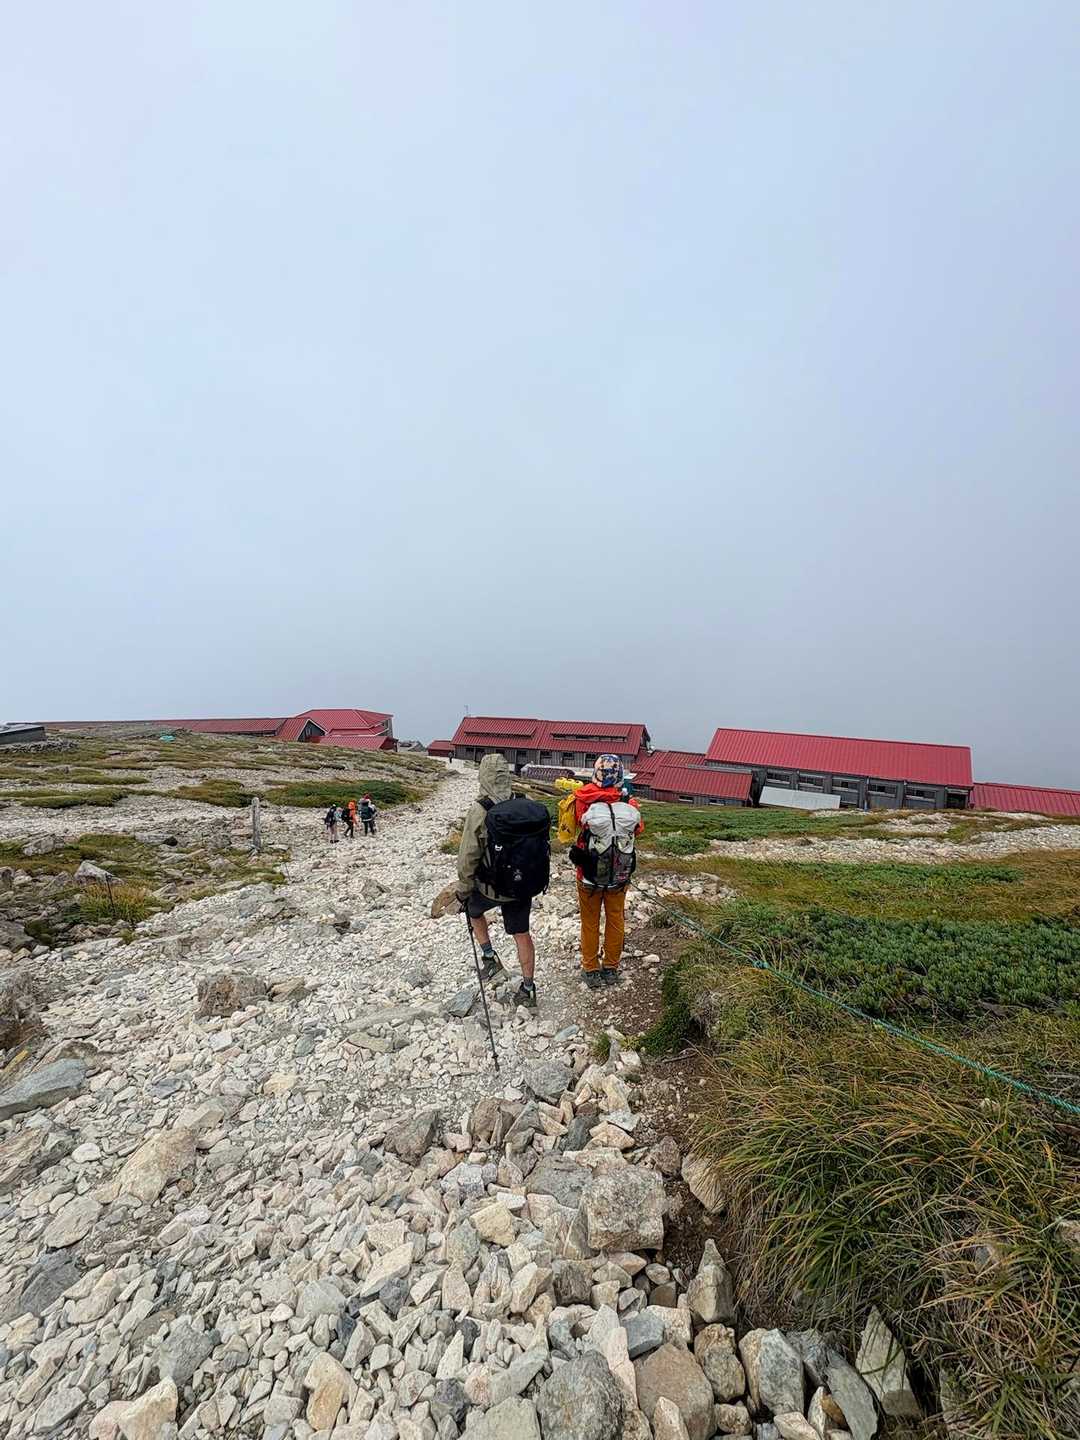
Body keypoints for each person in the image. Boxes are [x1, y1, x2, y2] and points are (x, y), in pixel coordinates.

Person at [456, 753, 544, 1010]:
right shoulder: (525, 802)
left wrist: (464, 889)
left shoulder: (480, 809)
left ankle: (489, 957)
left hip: (490, 887)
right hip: (523, 885)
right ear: (507, 775)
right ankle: (528, 989)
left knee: (473, 910)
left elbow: (468, 855)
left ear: (482, 776)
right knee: (521, 933)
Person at [571, 754, 644, 989]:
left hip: (588, 875)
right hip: (619, 875)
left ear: (596, 773)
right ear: (620, 775)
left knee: (589, 922)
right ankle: (611, 968)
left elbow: (575, 824)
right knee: (615, 919)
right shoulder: (629, 804)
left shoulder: (583, 800)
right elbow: (638, 829)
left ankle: (590, 969)